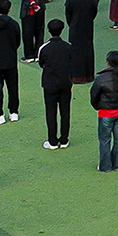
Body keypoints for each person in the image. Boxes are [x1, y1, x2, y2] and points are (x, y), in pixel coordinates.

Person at [92, 50, 118, 171]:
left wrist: (98, 106)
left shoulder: (101, 79)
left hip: (106, 113)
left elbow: (94, 95)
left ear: (107, 62)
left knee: (105, 140)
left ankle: (105, 166)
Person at [38, 19, 76, 148]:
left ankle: (52, 141)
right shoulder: (68, 47)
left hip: (49, 84)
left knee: (51, 112)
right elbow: (72, 61)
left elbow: (41, 63)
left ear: (49, 31)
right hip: (65, 83)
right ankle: (64, 140)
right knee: (65, 111)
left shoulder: (44, 48)